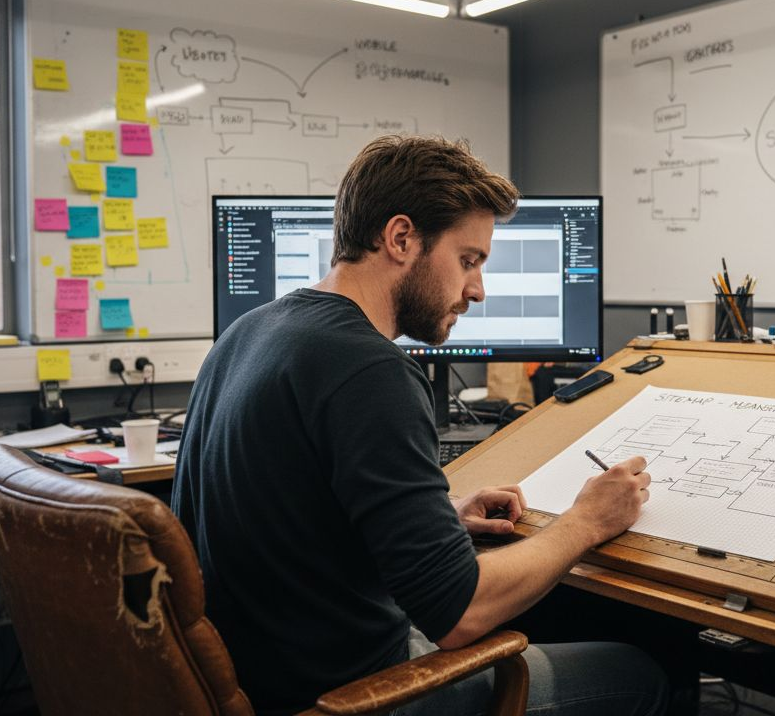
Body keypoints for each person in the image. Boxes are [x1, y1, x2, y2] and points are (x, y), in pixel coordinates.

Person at [173, 135, 668, 715]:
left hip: (261, 674)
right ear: (402, 238)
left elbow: (286, 522)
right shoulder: (369, 370)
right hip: (353, 697)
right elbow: (459, 614)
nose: (477, 290)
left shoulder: (250, 332)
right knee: (641, 674)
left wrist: (437, 524)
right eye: (468, 260)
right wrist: (587, 522)